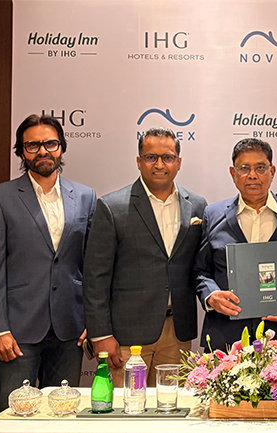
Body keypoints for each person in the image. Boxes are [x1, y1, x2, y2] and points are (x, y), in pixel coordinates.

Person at [0, 114, 97, 413]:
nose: (43, 151)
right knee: (14, 415)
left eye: (50, 143)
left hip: (70, 328)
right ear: (21, 151)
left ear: (62, 147)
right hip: (17, 331)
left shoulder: (85, 196)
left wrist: (92, 321)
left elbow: (93, 266)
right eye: (32, 145)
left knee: (64, 413)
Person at [83, 128, 207, 386]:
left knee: (173, 407)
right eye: (151, 157)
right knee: (127, 408)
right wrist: (101, 335)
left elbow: (200, 267)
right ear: (139, 161)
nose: (159, 165)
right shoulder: (112, 207)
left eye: (167, 157)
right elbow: (95, 278)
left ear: (179, 162)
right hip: (126, 337)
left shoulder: (197, 205)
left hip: (178, 334)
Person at [194, 138, 277, 350]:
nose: (252, 175)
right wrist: (211, 296)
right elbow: (201, 271)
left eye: (260, 168)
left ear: (272, 171)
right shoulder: (213, 214)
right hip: (225, 334)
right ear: (233, 172)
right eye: (244, 168)